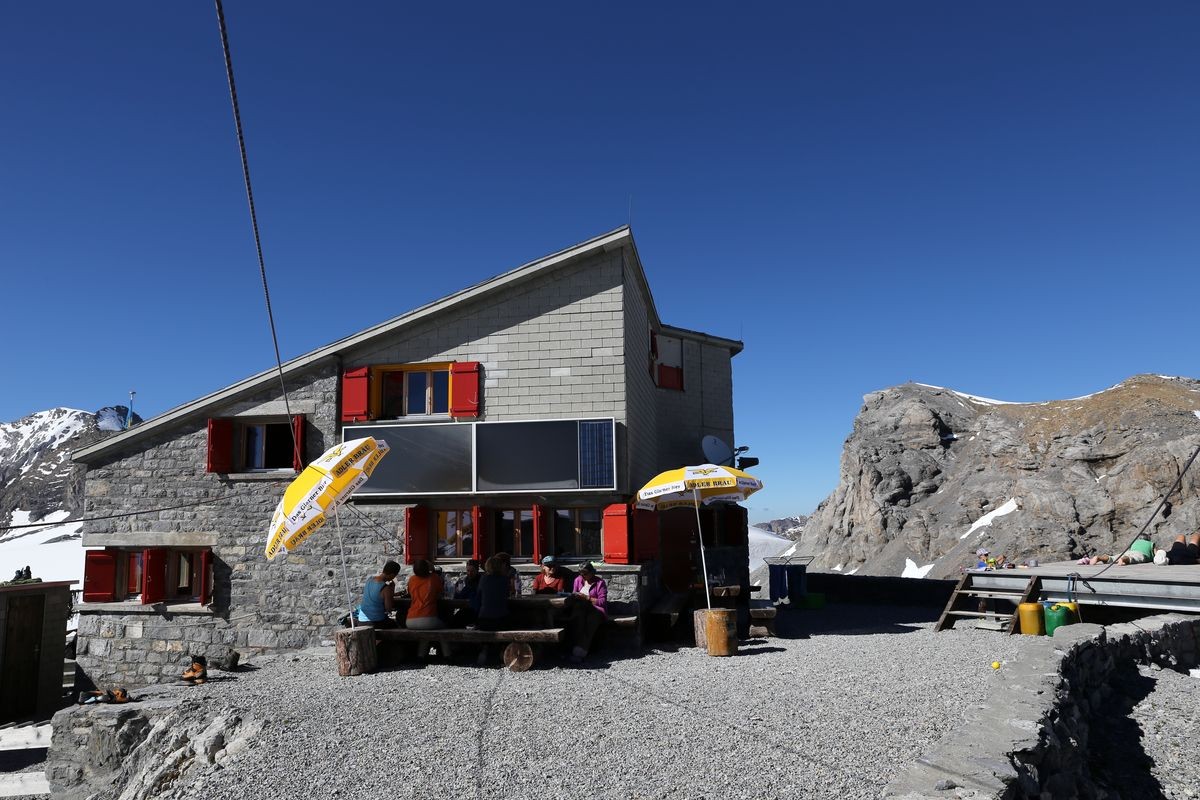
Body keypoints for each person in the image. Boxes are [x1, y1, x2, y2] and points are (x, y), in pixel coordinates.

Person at [565, 562, 607, 664]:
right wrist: (574, 596)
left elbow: (602, 602)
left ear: (592, 572)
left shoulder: (600, 583)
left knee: (590, 622)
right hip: (580, 608)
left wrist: (587, 598)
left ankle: (580, 652)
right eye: (581, 573)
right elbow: (574, 594)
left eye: (585, 573)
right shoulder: (578, 580)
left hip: (596, 609)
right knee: (577, 620)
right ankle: (574, 648)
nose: (583, 576)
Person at [355, 560, 400, 627]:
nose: (393, 578)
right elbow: (388, 609)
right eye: (394, 576)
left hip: (361, 620)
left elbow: (376, 596)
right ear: (392, 575)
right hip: (375, 622)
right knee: (396, 625)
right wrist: (392, 589)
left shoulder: (369, 580)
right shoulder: (386, 588)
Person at [472, 556, 511, 631]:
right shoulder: (504, 579)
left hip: (484, 621)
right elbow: (507, 595)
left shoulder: (483, 579)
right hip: (500, 620)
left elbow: (478, 597)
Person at [405, 559, 445, 630]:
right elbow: (441, 592)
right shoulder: (434, 578)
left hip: (410, 620)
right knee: (446, 625)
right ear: (428, 568)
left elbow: (409, 593)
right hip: (428, 618)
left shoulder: (412, 579)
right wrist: (432, 569)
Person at [1080, 534, 1155, 566]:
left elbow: (1130, 550)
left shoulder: (1135, 542)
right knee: (1132, 558)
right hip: (1140, 554)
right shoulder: (1151, 543)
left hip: (1129, 552)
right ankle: (1123, 560)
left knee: (1113, 558)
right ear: (1148, 539)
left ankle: (1100, 558)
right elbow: (1157, 553)